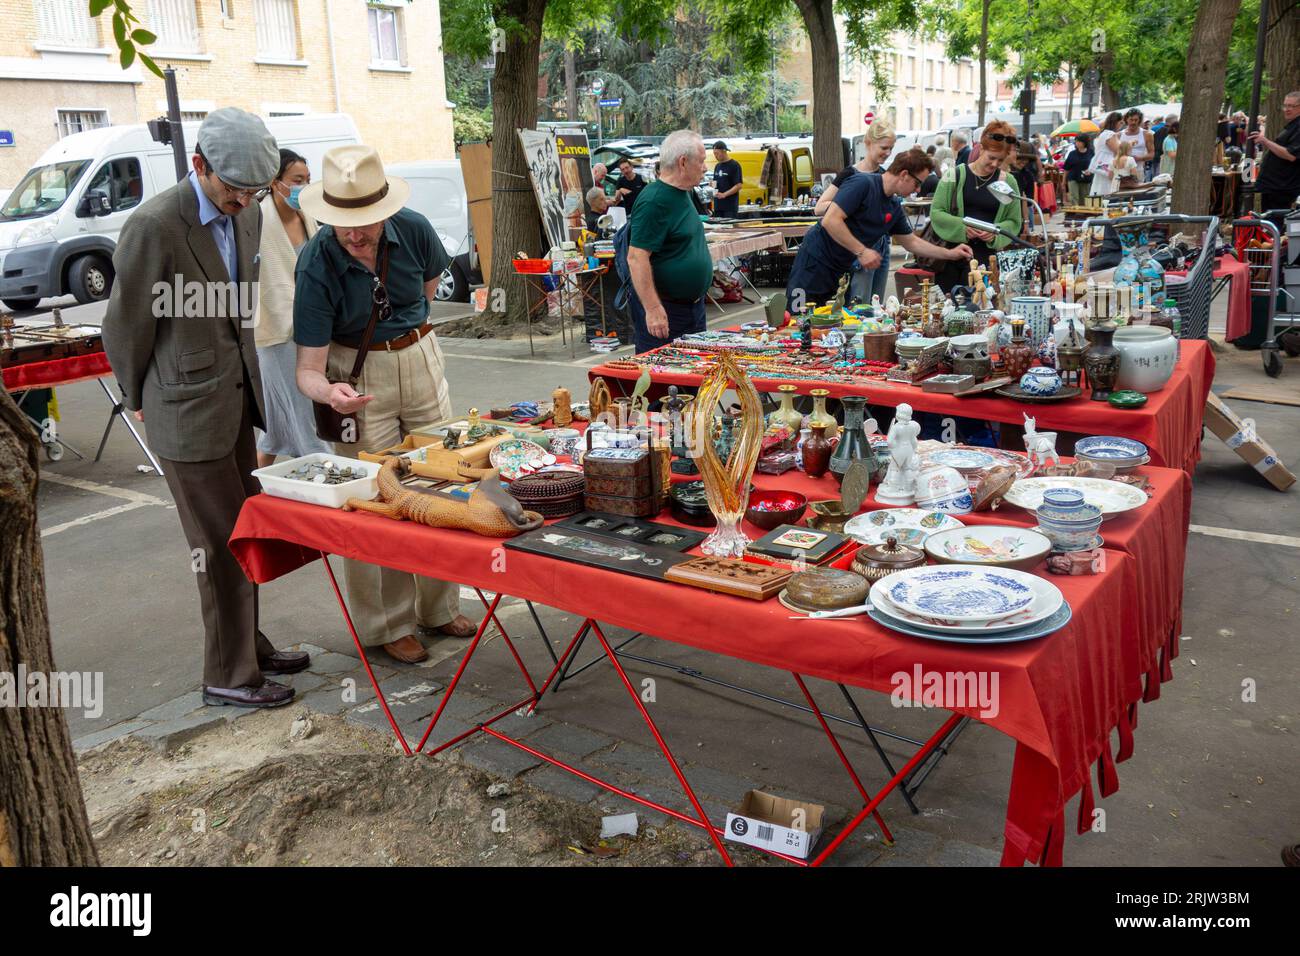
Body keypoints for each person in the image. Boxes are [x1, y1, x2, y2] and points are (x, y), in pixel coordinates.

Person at [102, 108, 308, 709]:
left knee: (243, 532)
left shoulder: (246, 215)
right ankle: (228, 675)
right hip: (183, 410)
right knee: (216, 544)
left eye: (254, 190)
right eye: (234, 190)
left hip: (235, 399)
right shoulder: (156, 225)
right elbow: (124, 325)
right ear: (199, 166)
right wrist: (140, 398)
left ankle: (249, 646)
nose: (245, 202)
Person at [294, 145, 476, 665]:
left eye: (365, 222)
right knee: (376, 497)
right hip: (356, 371)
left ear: (386, 210)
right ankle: (386, 624)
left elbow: (427, 288)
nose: (354, 234)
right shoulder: (316, 261)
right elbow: (307, 368)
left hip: (420, 355)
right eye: (341, 223)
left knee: (444, 480)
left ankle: (439, 608)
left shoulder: (414, 228)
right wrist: (331, 392)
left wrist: (408, 337)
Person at [785, 149, 973, 307]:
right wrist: (862, 251)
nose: (917, 190)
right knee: (797, 323)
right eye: (917, 183)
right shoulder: (863, 183)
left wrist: (950, 253)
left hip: (840, 272)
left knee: (829, 329)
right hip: (813, 266)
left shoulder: (893, 205)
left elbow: (912, 242)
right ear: (904, 174)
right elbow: (830, 220)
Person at [253, 148, 331, 469]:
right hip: (276, 330)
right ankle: (326, 471)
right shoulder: (255, 218)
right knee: (305, 410)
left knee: (278, 420)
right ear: (275, 182)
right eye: (296, 180)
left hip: (313, 326)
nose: (303, 187)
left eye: (308, 180)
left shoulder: (309, 216)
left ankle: (254, 487)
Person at [626, 130, 713, 353]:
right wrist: (653, 308)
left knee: (694, 380)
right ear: (683, 162)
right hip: (667, 312)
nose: (705, 168)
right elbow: (636, 258)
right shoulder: (655, 200)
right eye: (701, 161)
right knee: (666, 383)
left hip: (691, 309)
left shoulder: (684, 192)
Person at [928, 120, 1023, 293]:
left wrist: (995, 231)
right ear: (980, 149)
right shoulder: (953, 175)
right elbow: (936, 213)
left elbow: (1014, 221)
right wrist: (962, 227)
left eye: (1000, 160)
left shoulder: (1009, 182)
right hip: (952, 257)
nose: (994, 164)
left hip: (986, 261)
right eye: (991, 158)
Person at [815, 119, 896, 303]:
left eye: (891, 148)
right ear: (869, 143)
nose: (888, 152)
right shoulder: (850, 174)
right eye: (884, 147)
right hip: (859, 246)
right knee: (860, 305)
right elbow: (820, 207)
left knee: (876, 305)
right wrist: (850, 205)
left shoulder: (884, 176)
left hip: (882, 244)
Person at [584, 187, 631, 344]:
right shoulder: (594, 220)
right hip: (606, 266)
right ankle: (620, 332)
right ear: (594, 202)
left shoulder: (603, 217)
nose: (605, 202)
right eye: (602, 199)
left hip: (611, 264)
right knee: (614, 299)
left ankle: (623, 331)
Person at [1249, 90, 1300, 222]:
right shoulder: (1291, 125)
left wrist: (1265, 141)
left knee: (1275, 224)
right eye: (1285, 105)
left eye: (1291, 106)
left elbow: (1291, 155)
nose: (1286, 109)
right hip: (1274, 187)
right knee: (1268, 223)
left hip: (1282, 188)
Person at [1089, 111, 1124, 198]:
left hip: (1103, 166)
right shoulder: (1109, 134)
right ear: (1116, 122)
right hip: (1108, 165)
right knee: (1107, 190)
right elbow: (1117, 151)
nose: (1122, 125)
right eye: (1121, 122)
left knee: (1101, 187)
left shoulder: (1104, 134)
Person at [1116, 109, 1154, 182]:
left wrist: (1138, 158)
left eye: (1136, 120)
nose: (1133, 122)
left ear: (1139, 121)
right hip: (1121, 171)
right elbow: (1115, 154)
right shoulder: (1119, 135)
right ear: (1126, 120)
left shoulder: (1147, 134)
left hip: (1138, 170)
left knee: (1137, 193)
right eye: (1131, 120)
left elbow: (1151, 154)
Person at [710, 141, 744, 219]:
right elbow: (715, 182)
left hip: (730, 208)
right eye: (714, 153)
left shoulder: (734, 165)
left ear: (724, 151)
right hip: (718, 206)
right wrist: (711, 186)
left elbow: (739, 185)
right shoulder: (717, 166)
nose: (715, 156)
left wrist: (724, 194)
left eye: (717, 153)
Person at [1063, 134, 1093, 206]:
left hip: (1086, 179)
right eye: (1076, 142)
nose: (1076, 143)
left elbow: (1094, 165)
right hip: (1073, 178)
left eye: (1079, 142)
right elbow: (1066, 168)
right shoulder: (1072, 154)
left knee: (1085, 198)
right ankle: (1075, 214)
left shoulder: (1091, 152)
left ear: (1084, 142)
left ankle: (1083, 214)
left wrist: (1090, 171)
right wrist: (1063, 181)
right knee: (1074, 197)